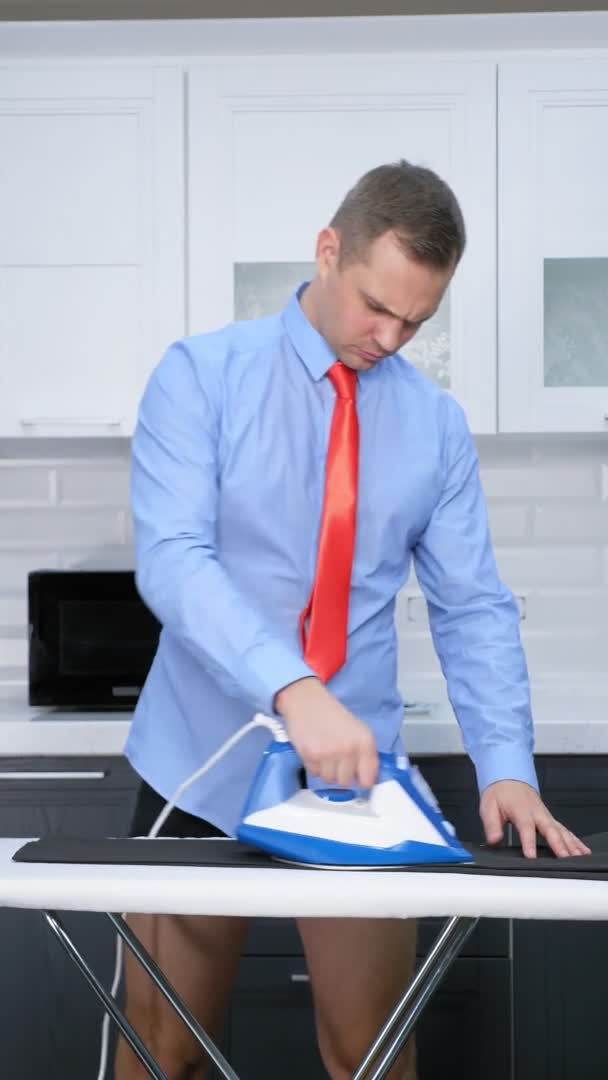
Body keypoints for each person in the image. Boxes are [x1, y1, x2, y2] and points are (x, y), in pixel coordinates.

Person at [115, 159, 590, 1080]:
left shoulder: (434, 424)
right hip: (199, 764)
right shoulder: (201, 377)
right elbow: (174, 560)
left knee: (372, 1058)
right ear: (328, 251)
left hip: (356, 776)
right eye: (378, 306)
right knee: (160, 1054)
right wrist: (295, 689)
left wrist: (509, 768)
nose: (391, 336)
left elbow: (472, 606)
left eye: (418, 319)